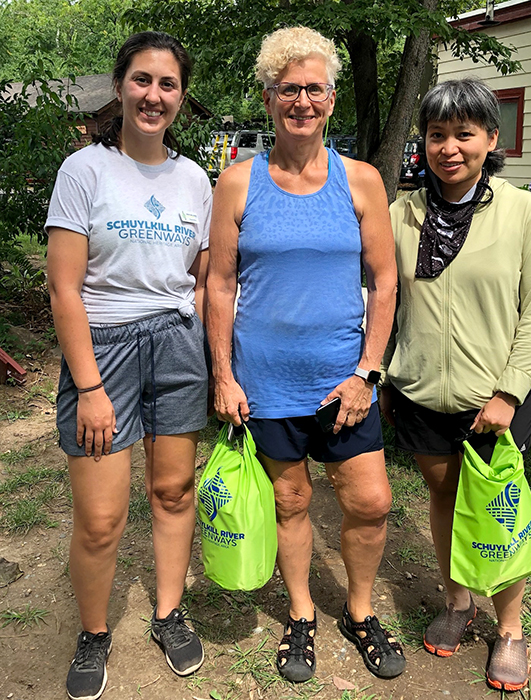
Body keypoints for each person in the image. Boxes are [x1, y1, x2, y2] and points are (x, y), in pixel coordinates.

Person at [207, 26, 405, 683]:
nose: (301, 101)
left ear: (331, 97)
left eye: (313, 89)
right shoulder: (237, 183)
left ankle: (359, 610)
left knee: (371, 501)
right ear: (267, 99)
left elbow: (384, 280)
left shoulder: (362, 181)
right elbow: (221, 283)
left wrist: (366, 373)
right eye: (287, 89)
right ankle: (300, 616)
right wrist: (225, 376)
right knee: (290, 501)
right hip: (264, 383)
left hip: (342, 381)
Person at [46, 31, 211, 700]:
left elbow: (201, 276)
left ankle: (168, 613)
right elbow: (63, 288)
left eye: (168, 84)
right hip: (104, 351)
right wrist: (88, 385)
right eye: (142, 80)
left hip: (176, 346)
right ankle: (94, 633)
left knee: (172, 493)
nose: (154, 95)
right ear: (120, 87)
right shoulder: (84, 170)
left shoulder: (196, 179)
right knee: (102, 520)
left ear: (180, 96)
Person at [380, 78, 531, 692]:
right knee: (443, 495)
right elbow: (382, 298)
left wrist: (509, 392)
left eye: (464, 133)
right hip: (420, 390)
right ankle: (459, 602)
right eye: (436, 134)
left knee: (495, 507)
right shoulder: (402, 213)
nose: (448, 147)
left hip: (496, 397)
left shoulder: (524, 212)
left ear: (490, 139)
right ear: (423, 142)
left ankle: (508, 627)